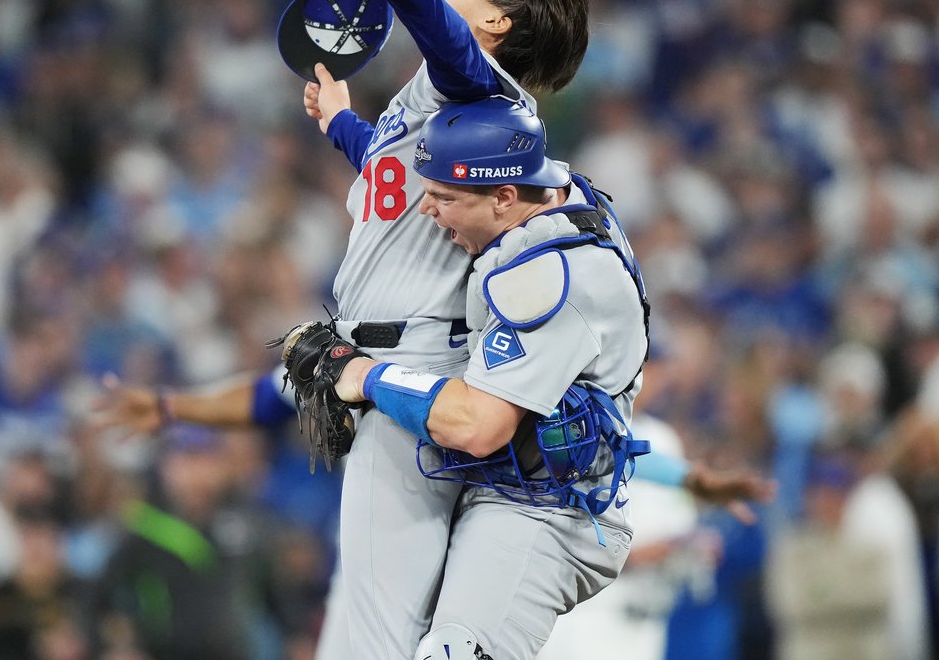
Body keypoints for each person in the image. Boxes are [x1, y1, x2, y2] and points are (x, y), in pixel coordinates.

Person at [100, 0, 592, 660]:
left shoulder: (488, 93)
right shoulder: (449, 114)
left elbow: (449, 47)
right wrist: (342, 124)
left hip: (414, 364)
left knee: (375, 640)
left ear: (495, 23)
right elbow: (396, 176)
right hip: (393, 360)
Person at [326, 96, 771, 660]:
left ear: (505, 196)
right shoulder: (555, 193)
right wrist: (344, 125)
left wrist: (367, 375)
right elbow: (571, 416)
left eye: (443, 199)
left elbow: (479, 425)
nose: (427, 211)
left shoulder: (550, 276)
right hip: (524, 484)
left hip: (545, 511)